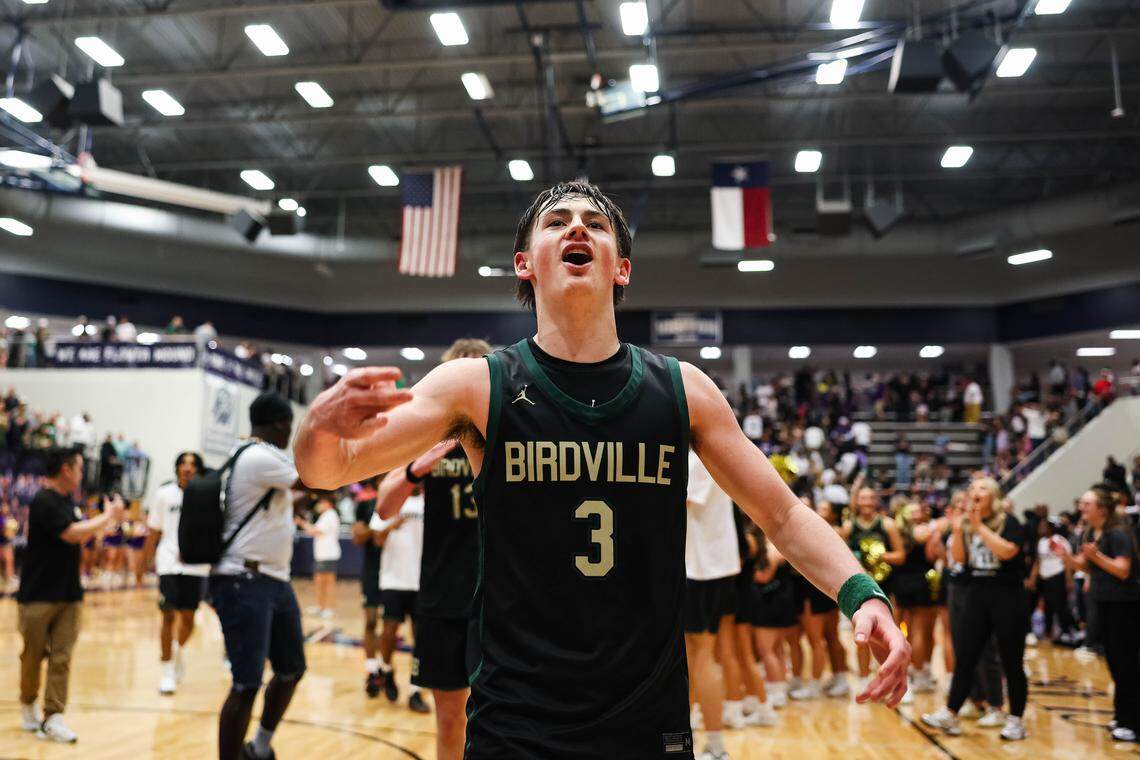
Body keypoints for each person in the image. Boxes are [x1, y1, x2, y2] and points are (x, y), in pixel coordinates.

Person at [294, 180, 909, 759]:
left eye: (594, 224)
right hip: (517, 716)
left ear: (622, 269)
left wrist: (862, 593)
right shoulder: (476, 387)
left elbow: (782, 512)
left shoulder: (682, 390)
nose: (575, 229)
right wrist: (315, 428)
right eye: (555, 222)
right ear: (524, 264)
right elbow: (329, 470)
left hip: (646, 715)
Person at [373, 338, 490, 760]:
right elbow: (385, 505)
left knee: (506, 720)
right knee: (449, 719)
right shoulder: (430, 437)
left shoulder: (507, 433)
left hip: (500, 599)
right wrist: (413, 470)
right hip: (442, 597)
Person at [210, 392, 306, 760]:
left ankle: (260, 747)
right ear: (275, 424)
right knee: (246, 683)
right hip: (245, 580)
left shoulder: (261, 460)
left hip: (272, 581)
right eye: (287, 425)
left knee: (291, 670)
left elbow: (291, 498)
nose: (289, 431)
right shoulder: (257, 456)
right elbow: (311, 481)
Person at [17, 447, 125, 742]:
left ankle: (53, 716)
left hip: (69, 592)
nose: (81, 474)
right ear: (66, 469)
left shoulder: (69, 503)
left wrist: (107, 522)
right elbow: (71, 534)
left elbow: (83, 534)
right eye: (78, 467)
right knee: (32, 656)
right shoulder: (43, 500)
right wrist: (106, 517)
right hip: (38, 594)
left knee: (62, 657)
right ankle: (28, 702)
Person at [922, 478, 1029, 741]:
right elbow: (959, 559)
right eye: (972, 490)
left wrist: (979, 527)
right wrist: (959, 531)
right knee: (966, 657)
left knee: (1011, 661)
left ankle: (1015, 719)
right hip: (977, 593)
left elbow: (1007, 552)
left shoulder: (1010, 522)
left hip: (1007, 595)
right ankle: (951, 712)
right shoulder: (969, 525)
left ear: (994, 496)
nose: (975, 493)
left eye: (981, 489)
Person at [683, 449, 772, 759]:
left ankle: (716, 746)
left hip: (701, 569)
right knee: (698, 654)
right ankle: (695, 726)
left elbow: (676, 504)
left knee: (705, 654)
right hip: (709, 568)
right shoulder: (706, 459)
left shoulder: (697, 459)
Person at [1062, 488, 1139, 743]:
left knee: (1126, 663)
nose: (1081, 507)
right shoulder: (1092, 532)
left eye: (1087, 503)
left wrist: (1096, 556)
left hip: (1123, 605)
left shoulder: (1118, 533)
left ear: (1102, 509)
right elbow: (1087, 566)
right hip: (1103, 602)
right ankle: (1123, 715)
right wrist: (1067, 557)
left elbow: (1122, 569)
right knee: (1114, 662)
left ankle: (1132, 722)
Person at [144, 451, 208, 696]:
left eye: (192, 464)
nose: (187, 468)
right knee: (168, 614)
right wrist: (144, 563)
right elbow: (154, 531)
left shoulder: (207, 495)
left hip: (196, 564)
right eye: (183, 463)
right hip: (168, 562)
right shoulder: (164, 494)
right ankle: (167, 670)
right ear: (177, 468)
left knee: (189, 618)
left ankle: (177, 650)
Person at [368, 484, 430, 714]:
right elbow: (376, 539)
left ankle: (415, 690)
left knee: (421, 638)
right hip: (393, 579)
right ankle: (387, 670)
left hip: (421, 581)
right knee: (389, 632)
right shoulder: (389, 503)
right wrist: (392, 526)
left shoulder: (429, 502)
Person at [841, 483, 905, 691]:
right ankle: (862, 679)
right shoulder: (850, 527)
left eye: (870, 498)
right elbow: (842, 556)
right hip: (861, 588)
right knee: (861, 635)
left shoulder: (887, 525)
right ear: (857, 502)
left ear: (876, 501)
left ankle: (895, 677)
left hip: (886, 585)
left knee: (890, 634)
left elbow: (900, 555)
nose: (867, 502)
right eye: (863, 498)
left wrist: (879, 556)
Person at [350, 477, 385, 696]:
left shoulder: (409, 500)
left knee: (394, 626)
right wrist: (381, 529)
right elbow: (358, 537)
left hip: (400, 572)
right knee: (371, 621)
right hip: (372, 572)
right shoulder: (366, 504)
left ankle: (388, 670)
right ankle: (372, 671)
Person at [297, 494, 341, 618]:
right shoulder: (325, 516)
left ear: (328, 503)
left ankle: (329, 608)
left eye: (321, 502)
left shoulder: (330, 515)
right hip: (322, 554)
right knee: (319, 581)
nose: (319, 505)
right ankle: (320, 606)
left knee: (328, 582)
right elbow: (313, 530)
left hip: (328, 554)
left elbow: (314, 531)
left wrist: (301, 523)